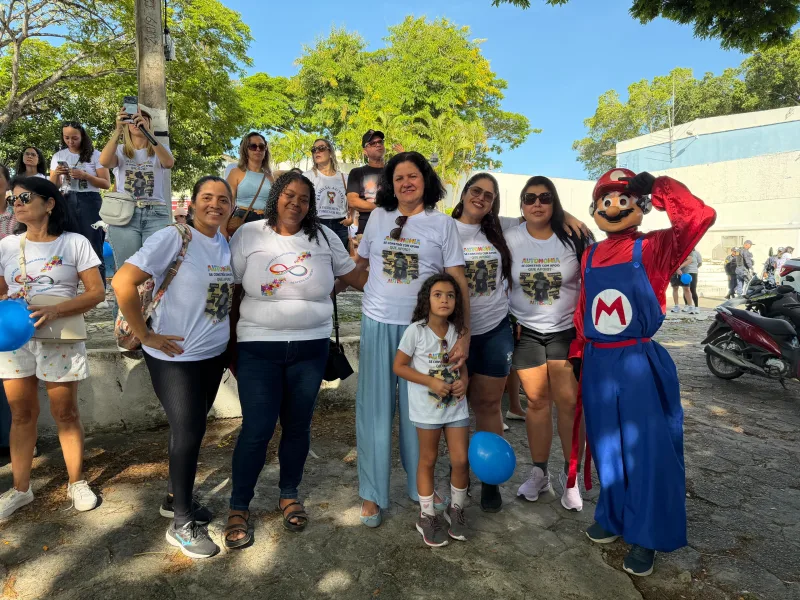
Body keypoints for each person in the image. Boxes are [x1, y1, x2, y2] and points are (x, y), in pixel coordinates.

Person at [569, 168, 716, 576]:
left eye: (624, 199)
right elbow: (583, 308)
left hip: (636, 361)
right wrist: (579, 351)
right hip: (598, 362)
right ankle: (614, 516)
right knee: (607, 447)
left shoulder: (656, 247)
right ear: (595, 208)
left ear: (640, 206)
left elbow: (698, 216)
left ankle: (647, 534)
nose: (614, 208)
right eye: (606, 201)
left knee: (647, 452)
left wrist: (658, 186)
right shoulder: (590, 254)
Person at [224, 171, 365, 548]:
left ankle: (289, 494)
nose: (296, 203)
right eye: (289, 195)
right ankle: (239, 506)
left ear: (311, 204)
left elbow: (354, 276)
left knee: (298, 426)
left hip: (310, 347)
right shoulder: (249, 234)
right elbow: (232, 287)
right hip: (258, 347)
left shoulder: (324, 236)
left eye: (304, 198)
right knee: (257, 428)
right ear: (275, 197)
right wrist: (228, 344)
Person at [112, 176, 234, 559]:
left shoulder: (223, 242)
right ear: (193, 203)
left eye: (223, 199)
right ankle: (181, 524)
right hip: (174, 358)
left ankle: (173, 497)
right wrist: (144, 334)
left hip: (212, 355)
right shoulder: (173, 237)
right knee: (188, 430)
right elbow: (122, 282)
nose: (215, 204)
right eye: (207, 198)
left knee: (194, 430)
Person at [352, 151, 469, 528]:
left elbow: (457, 281)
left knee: (422, 414)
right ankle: (372, 493)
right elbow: (361, 268)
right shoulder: (378, 218)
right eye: (398, 177)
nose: (406, 183)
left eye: (413, 176)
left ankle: (419, 489)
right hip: (377, 322)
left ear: (426, 181)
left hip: (424, 332)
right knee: (374, 412)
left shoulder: (442, 225)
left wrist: (463, 333)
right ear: (390, 184)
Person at [0, 177, 105, 519]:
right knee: (21, 414)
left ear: (49, 203)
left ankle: (76, 481)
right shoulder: (7, 246)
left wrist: (56, 309)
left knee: (65, 412)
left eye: (24, 196)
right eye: (11, 198)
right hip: (16, 340)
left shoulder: (74, 243)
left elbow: (96, 292)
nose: (16, 202)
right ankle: (20, 489)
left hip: (60, 335)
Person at [506, 176, 593, 513]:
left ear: (555, 202)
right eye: (530, 198)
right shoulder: (510, 235)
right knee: (537, 404)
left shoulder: (574, 236)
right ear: (522, 205)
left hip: (566, 333)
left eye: (545, 198)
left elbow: (597, 275)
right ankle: (539, 472)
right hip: (526, 332)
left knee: (569, 405)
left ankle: (571, 480)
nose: (537, 204)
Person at [394, 273, 469, 546]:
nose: (444, 300)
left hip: (456, 410)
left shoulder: (457, 332)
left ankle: (456, 509)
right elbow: (399, 366)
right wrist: (431, 382)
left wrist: (464, 383)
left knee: (460, 460)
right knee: (428, 459)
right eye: (437, 294)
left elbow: (463, 369)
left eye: (450, 295)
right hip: (427, 411)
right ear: (427, 299)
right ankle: (426, 515)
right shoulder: (416, 331)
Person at [99, 106, 175, 270]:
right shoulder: (120, 150)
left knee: (156, 269)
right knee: (127, 270)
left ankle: (152, 297)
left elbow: (168, 163)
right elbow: (104, 161)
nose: (136, 120)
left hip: (155, 212)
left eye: (142, 117)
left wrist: (148, 133)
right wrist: (117, 130)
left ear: (149, 122)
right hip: (125, 214)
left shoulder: (159, 149)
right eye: (131, 117)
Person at [51, 121, 112, 290]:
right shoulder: (58, 156)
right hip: (66, 199)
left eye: (74, 138)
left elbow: (106, 183)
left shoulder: (96, 155)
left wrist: (85, 175)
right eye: (66, 137)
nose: (70, 141)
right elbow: (52, 187)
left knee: (93, 243)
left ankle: (98, 290)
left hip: (90, 201)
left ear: (83, 136)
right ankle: (68, 289)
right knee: (67, 244)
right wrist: (57, 174)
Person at [346, 130, 402, 241]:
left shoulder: (394, 171)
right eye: (372, 143)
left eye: (380, 142)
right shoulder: (357, 172)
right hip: (367, 229)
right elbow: (353, 201)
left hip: (395, 229)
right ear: (365, 151)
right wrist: (383, 208)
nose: (378, 144)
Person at [303, 138, 352, 250]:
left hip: (340, 224)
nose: (317, 152)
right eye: (314, 149)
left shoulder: (344, 178)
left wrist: (351, 218)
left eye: (321, 148)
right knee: (318, 261)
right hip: (317, 223)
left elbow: (352, 200)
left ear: (330, 152)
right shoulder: (307, 177)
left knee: (341, 264)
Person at [225, 133, 274, 228]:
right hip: (242, 220)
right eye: (253, 146)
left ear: (265, 150)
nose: (258, 149)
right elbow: (228, 203)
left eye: (262, 146)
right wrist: (223, 230)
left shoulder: (270, 177)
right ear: (245, 150)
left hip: (265, 222)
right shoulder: (236, 173)